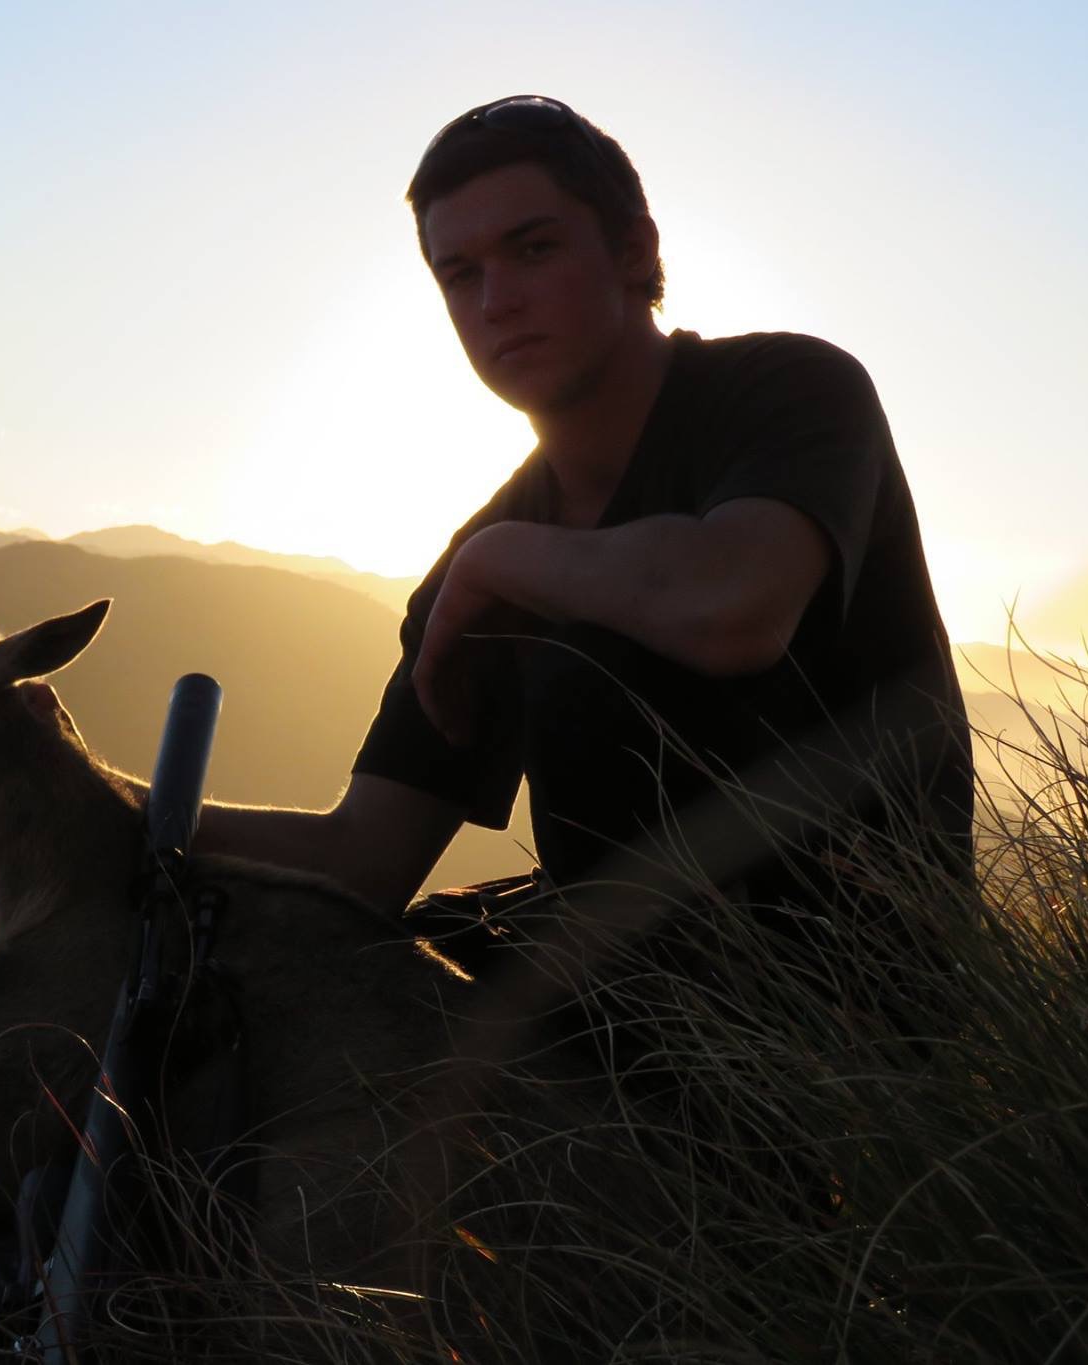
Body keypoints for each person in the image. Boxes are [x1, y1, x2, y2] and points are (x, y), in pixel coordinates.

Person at [195, 95, 975, 1044]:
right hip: (610, 1016)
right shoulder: (482, 558)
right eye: (459, 273)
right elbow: (361, 858)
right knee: (266, 1001)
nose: (496, 301)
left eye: (534, 249)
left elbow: (734, 604)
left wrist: (501, 560)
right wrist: (70, 790)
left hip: (855, 1018)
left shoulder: (791, 392)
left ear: (635, 250)